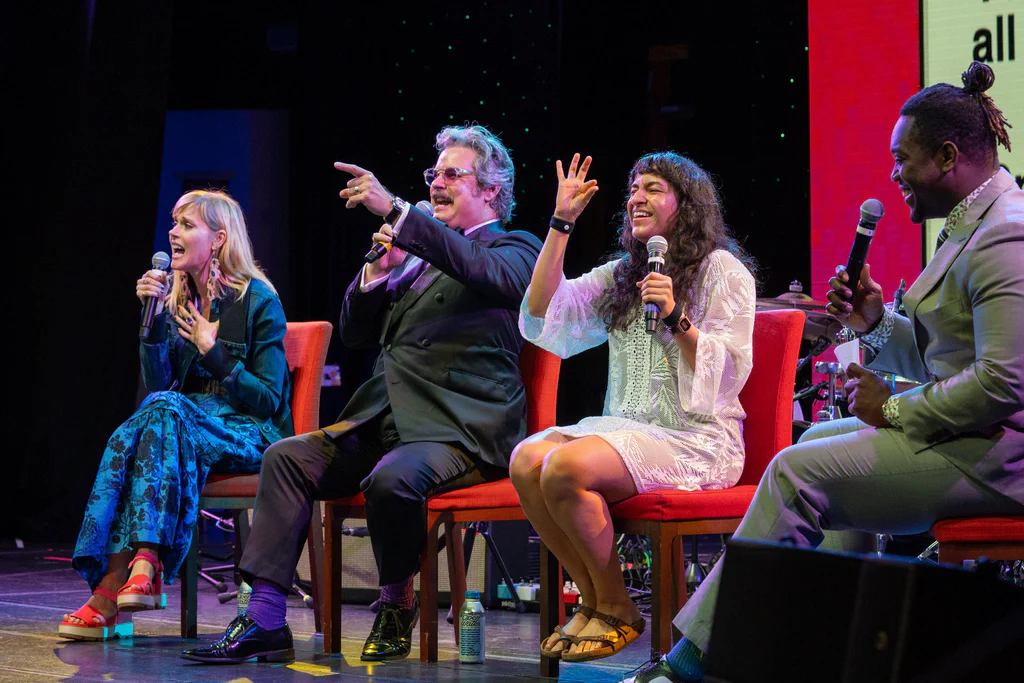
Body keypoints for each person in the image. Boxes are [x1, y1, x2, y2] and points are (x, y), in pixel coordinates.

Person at [627, 61, 1024, 683]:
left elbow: (1004, 382)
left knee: (794, 469)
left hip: (998, 460)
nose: (893, 174)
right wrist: (873, 321)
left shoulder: (1004, 236)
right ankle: (839, 652)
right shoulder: (971, 226)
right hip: (967, 441)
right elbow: (945, 354)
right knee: (810, 441)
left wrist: (893, 409)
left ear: (948, 155)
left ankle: (699, 664)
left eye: (904, 159)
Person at [182, 124, 542, 664]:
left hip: (460, 427)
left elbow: (482, 271)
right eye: (433, 173)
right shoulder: (415, 253)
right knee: (286, 457)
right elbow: (353, 334)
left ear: (491, 190)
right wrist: (377, 272)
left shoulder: (515, 248)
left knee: (392, 478)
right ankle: (264, 618)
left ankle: (396, 599)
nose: (437, 183)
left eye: (452, 173)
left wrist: (399, 210)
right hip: (386, 418)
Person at [510, 151, 757, 663]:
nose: (636, 198)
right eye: (633, 188)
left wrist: (676, 316)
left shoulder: (723, 271)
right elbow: (542, 316)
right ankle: (596, 599)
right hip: (627, 428)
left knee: (566, 465)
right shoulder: (624, 273)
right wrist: (561, 224)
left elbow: (731, 372)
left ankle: (619, 606)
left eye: (653, 188)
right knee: (526, 459)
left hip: (698, 437)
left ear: (686, 204)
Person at [58, 190, 291, 642]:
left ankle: (114, 588)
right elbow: (160, 383)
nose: (173, 232)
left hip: (249, 432)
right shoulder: (176, 297)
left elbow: (269, 401)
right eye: (174, 223)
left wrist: (214, 352)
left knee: (156, 415)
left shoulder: (259, 300)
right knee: (155, 412)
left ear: (219, 239)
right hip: (182, 428)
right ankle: (143, 564)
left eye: (187, 225)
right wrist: (153, 322)